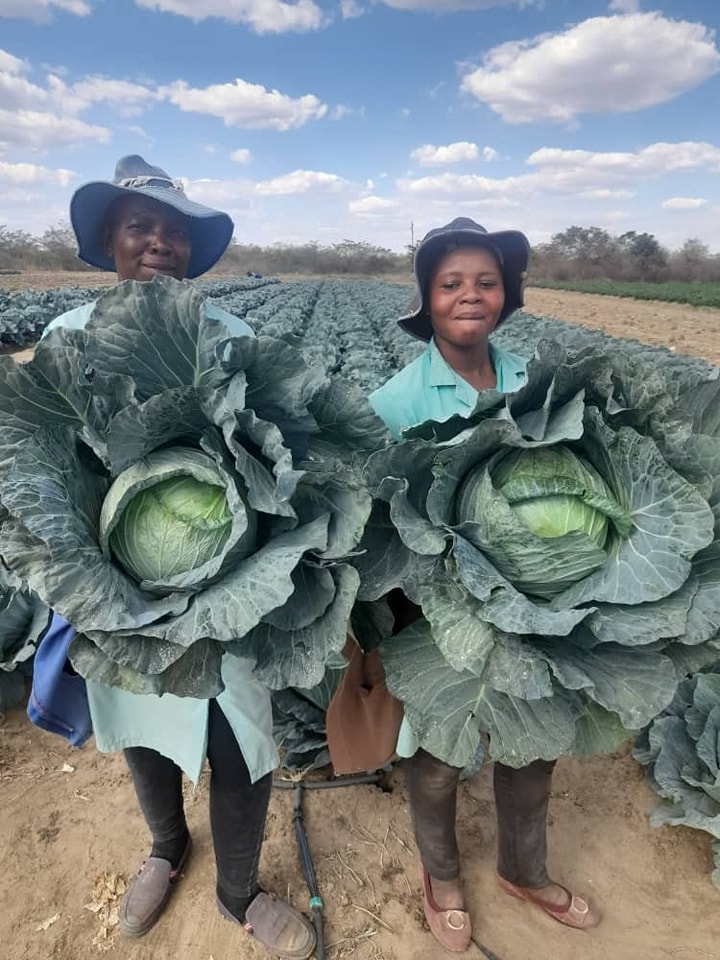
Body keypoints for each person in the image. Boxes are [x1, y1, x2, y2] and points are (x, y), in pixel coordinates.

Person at [41, 155, 317, 960]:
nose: (158, 243)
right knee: (138, 727)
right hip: (113, 587)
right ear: (109, 239)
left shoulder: (234, 339)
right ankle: (167, 850)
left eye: (175, 231)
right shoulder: (64, 340)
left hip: (236, 585)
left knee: (242, 742)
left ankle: (239, 892)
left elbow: (290, 460)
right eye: (140, 227)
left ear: (194, 250)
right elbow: (42, 478)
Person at [368, 217, 600, 953]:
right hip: (438, 610)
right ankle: (442, 878)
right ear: (426, 299)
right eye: (451, 283)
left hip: (546, 600)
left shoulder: (538, 380)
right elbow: (379, 526)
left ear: (507, 293)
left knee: (532, 751)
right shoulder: (397, 402)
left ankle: (523, 871)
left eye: (486, 281)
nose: (471, 295)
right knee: (436, 758)